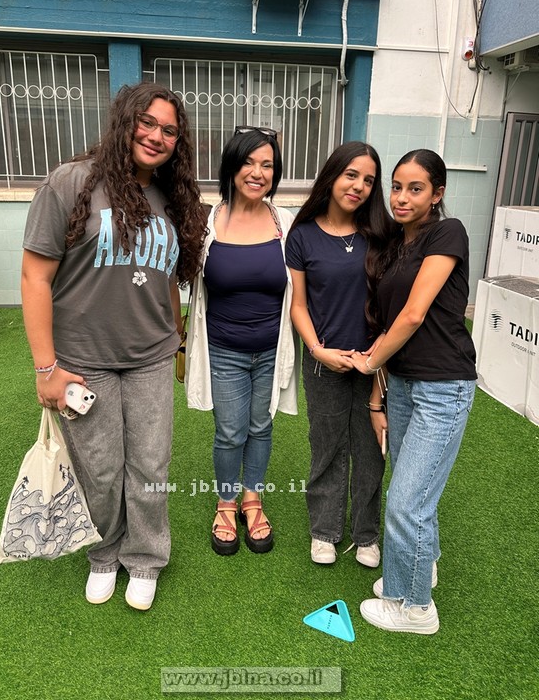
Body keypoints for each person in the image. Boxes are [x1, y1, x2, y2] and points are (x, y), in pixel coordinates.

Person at [21, 81, 207, 611]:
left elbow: (166, 276)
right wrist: (46, 368)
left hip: (150, 357)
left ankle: (145, 558)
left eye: (169, 130)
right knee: (100, 471)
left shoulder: (171, 198)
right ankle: (103, 552)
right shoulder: (71, 182)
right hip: (84, 360)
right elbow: (35, 277)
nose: (156, 136)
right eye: (147, 122)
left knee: (150, 467)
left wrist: (176, 339)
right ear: (125, 121)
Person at [351, 148, 477, 635]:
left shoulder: (448, 232)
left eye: (416, 188)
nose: (401, 198)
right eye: (397, 187)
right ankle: (417, 570)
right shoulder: (396, 247)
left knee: (407, 502)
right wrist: (379, 394)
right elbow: (387, 324)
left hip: (443, 387)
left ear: (437, 194)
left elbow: (412, 315)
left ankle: (414, 608)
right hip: (403, 385)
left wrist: (369, 362)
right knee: (413, 492)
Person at [185, 125, 300, 556]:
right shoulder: (208, 222)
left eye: (267, 165)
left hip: (272, 349)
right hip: (223, 350)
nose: (257, 172)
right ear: (232, 167)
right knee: (231, 431)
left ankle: (253, 499)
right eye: (249, 162)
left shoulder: (285, 222)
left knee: (261, 426)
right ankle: (226, 503)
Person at [286, 142, 393, 567]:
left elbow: (395, 303)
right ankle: (324, 531)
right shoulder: (302, 235)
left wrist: (378, 355)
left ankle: (366, 534)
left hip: (376, 362)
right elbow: (298, 305)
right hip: (324, 361)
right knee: (327, 445)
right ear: (332, 176)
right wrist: (318, 350)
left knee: (370, 449)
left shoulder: (382, 234)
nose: (359, 186)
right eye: (351, 175)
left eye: (368, 180)